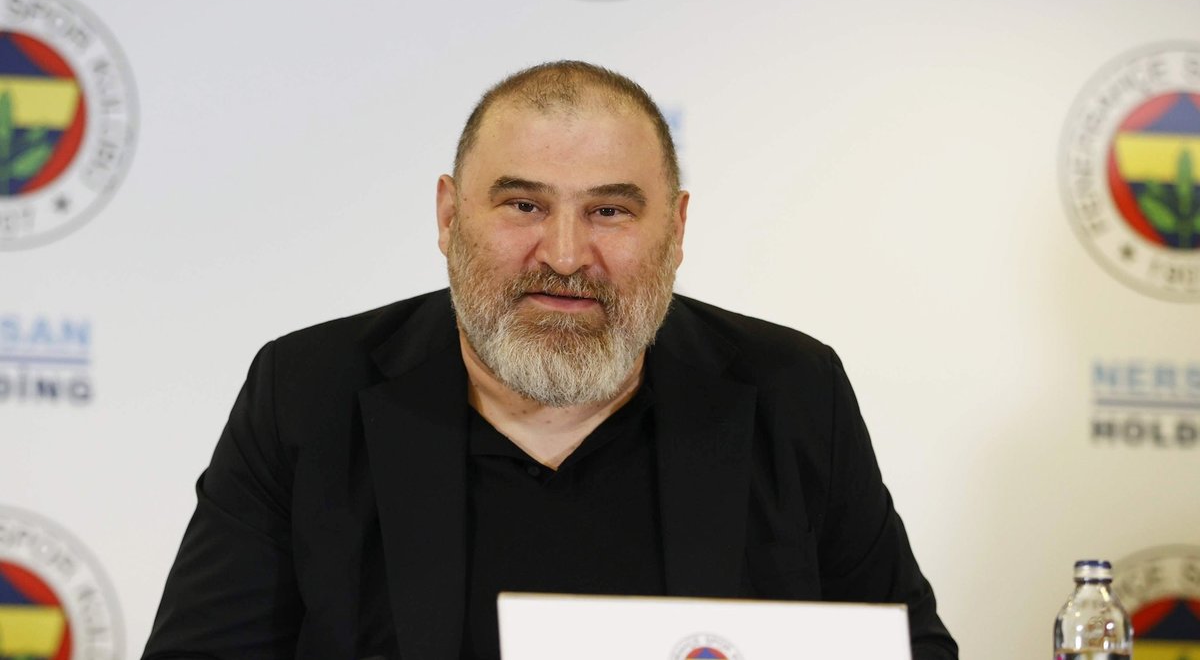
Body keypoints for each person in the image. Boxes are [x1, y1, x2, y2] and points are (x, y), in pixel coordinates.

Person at [143, 60, 958, 660]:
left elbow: (908, 648)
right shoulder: (307, 393)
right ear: (447, 217)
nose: (565, 255)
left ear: (676, 230)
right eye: (524, 204)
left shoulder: (793, 391)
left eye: (610, 211)